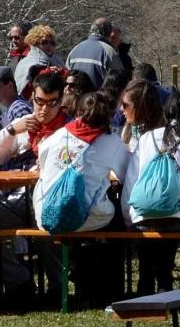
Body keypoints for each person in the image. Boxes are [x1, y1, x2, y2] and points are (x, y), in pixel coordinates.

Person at [34, 89, 129, 305]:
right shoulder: (112, 142)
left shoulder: (57, 136)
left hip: (48, 215)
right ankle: (107, 287)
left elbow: (42, 162)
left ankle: (79, 275)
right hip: (88, 219)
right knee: (115, 219)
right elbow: (123, 175)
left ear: (78, 111)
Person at [124, 89, 180, 293]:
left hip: (143, 215)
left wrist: (129, 218)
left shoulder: (147, 138)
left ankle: (150, 285)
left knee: (155, 235)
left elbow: (132, 180)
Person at [64, 18, 121, 89]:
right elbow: (119, 81)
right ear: (109, 33)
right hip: (95, 98)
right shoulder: (109, 52)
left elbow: (66, 75)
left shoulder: (75, 49)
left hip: (74, 98)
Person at [14, 25, 64, 99]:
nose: (49, 45)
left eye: (52, 43)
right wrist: (49, 72)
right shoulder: (29, 62)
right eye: (44, 42)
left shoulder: (56, 61)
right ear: (34, 44)